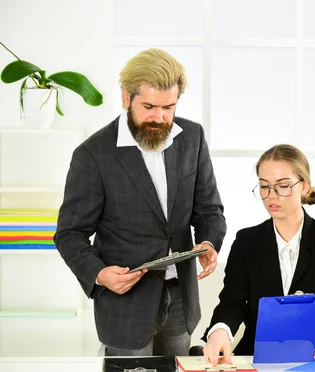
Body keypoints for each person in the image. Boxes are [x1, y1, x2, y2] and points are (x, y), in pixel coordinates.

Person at [54, 48, 227, 356]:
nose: (159, 117)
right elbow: (70, 234)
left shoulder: (193, 138)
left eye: (168, 107)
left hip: (181, 302)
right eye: (149, 106)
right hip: (125, 306)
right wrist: (99, 273)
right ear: (126, 97)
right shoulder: (93, 155)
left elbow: (209, 210)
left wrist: (209, 243)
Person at [202, 144, 315, 365]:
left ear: (304, 187)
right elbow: (232, 302)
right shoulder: (247, 241)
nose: (271, 196)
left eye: (283, 186)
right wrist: (219, 332)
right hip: (256, 359)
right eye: (264, 186)